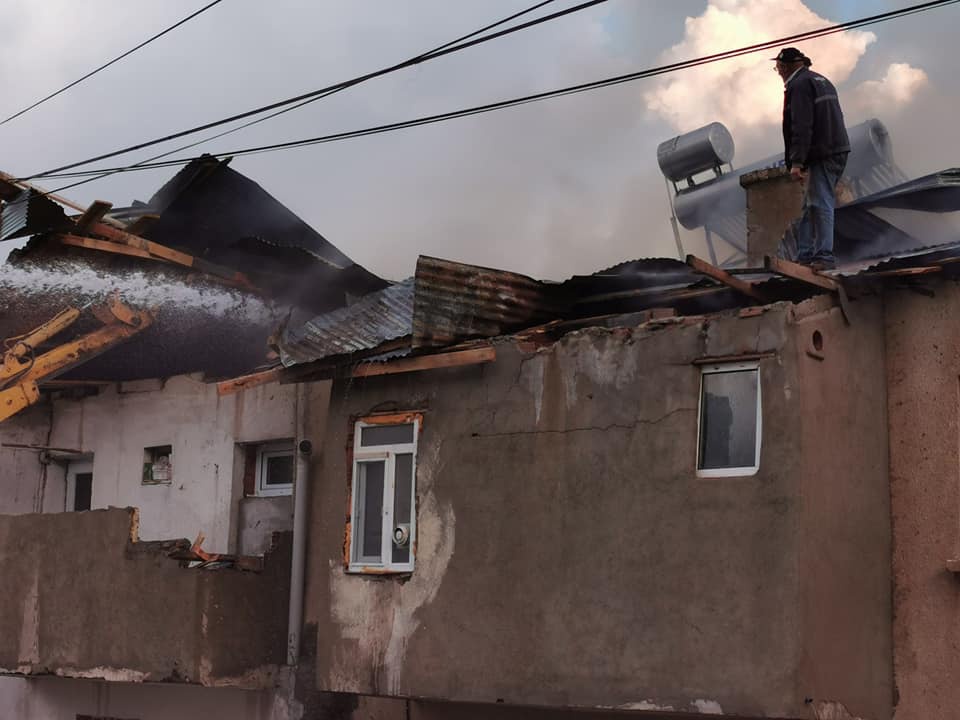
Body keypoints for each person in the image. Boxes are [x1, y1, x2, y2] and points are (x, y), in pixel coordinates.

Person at [774, 47, 850, 270]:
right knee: (811, 204)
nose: (778, 72)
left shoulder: (799, 86)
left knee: (821, 202)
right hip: (838, 149)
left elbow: (802, 125)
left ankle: (824, 256)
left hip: (823, 152)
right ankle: (805, 254)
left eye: (778, 68)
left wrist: (797, 162)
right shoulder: (821, 80)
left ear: (787, 67)